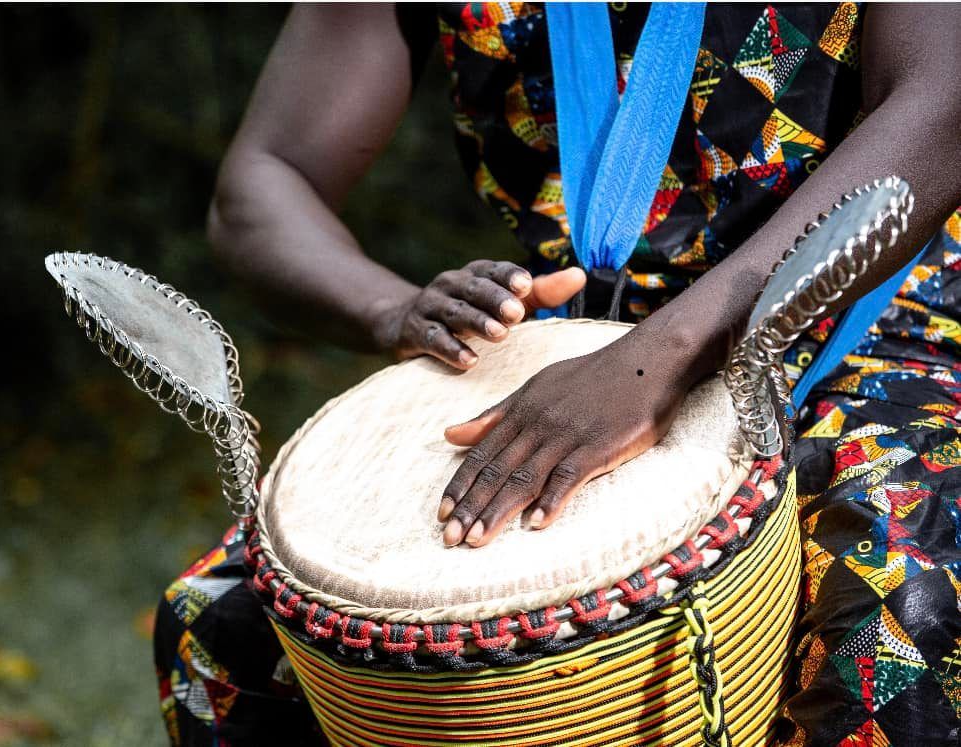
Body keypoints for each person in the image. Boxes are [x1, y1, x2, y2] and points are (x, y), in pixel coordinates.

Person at [154, 4, 961, 745]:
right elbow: (264, 180)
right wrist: (394, 311)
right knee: (219, 627)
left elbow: (943, 99)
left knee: (896, 610)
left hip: (875, 329)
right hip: (578, 354)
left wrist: (661, 355)